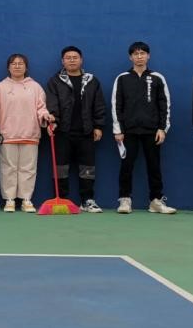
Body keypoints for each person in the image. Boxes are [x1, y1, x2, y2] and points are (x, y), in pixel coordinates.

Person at [111, 42, 176, 215]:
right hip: (128, 131)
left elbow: (165, 104)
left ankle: (156, 201)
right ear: (130, 57)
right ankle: (125, 199)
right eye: (136, 54)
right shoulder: (122, 78)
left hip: (152, 131)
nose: (139, 56)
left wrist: (162, 128)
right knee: (126, 166)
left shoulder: (157, 77)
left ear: (148, 56)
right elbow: (116, 104)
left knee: (154, 166)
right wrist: (118, 130)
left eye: (142, 53)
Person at [44, 46, 106, 213]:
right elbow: (51, 104)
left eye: (75, 57)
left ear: (81, 60)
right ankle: (62, 199)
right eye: (68, 57)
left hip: (86, 132)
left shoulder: (92, 81)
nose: (72, 60)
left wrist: (98, 126)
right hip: (62, 132)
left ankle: (87, 201)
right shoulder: (55, 81)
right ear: (62, 61)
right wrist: (54, 121)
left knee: (88, 168)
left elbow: (99, 105)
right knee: (60, 168)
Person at [0, 54, 51, 213]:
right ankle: (9, 199)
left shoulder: (35, 87)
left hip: (30, 133)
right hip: (7, 135)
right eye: (14, 63)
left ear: (26, 67)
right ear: (8, 67)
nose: (17, 66)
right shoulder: (0, 87)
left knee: (28, 168)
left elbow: (41, 107)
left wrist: (45, 116)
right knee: (8, 168)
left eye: (21, 63)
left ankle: (26, 199)